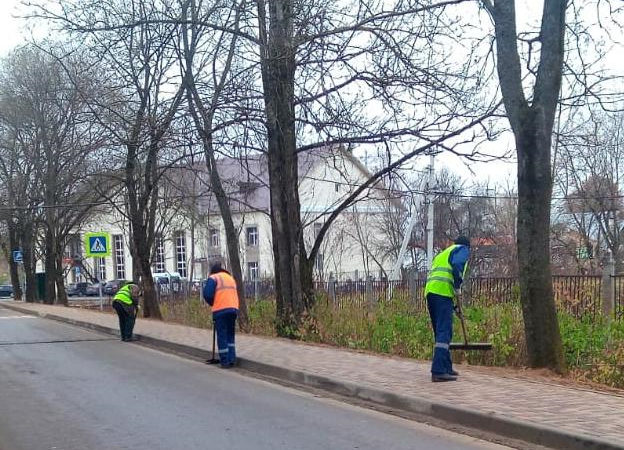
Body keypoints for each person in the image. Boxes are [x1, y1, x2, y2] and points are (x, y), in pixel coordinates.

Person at [425, 236, 470, 382]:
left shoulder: (444, 253)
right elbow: (457, 265)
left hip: (431, 293)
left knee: (441, 332)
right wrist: (457, 284)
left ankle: (446, 367)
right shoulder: (462, 250)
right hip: (443, 292)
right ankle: (438, 371)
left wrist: (454, 305)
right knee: (444, 332)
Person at [203, 262, 240, 368]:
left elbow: (207, 294)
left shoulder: (213, 278)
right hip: (233, 309)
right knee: (230, 335)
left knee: (222, 335)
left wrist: (212, 303)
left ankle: (225, 361)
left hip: (221, 309)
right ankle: (232, 359)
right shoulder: (230, 278)